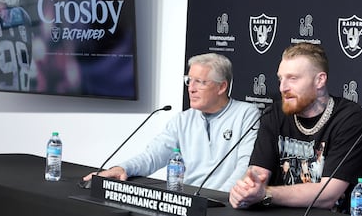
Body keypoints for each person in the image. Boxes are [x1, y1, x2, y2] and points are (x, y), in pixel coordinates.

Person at [229, 42, 362, 210]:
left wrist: (266, 193)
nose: (282, 87)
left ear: (320, 80)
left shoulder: (351, 120)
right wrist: (246, 189)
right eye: (280, 78)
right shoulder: (275, 114)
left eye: (293, 78)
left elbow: (328, 195)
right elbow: (257, 174)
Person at [82, 53, 260, 192]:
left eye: (200, 82)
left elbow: (245, 167)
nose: (191, 88)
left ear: (222, 87)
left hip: (226, 203)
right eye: (189, 81)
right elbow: (153, 156)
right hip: (190, 202)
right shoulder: (183, 120)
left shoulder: (246, 114)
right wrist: (121, 168)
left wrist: (222, 198)